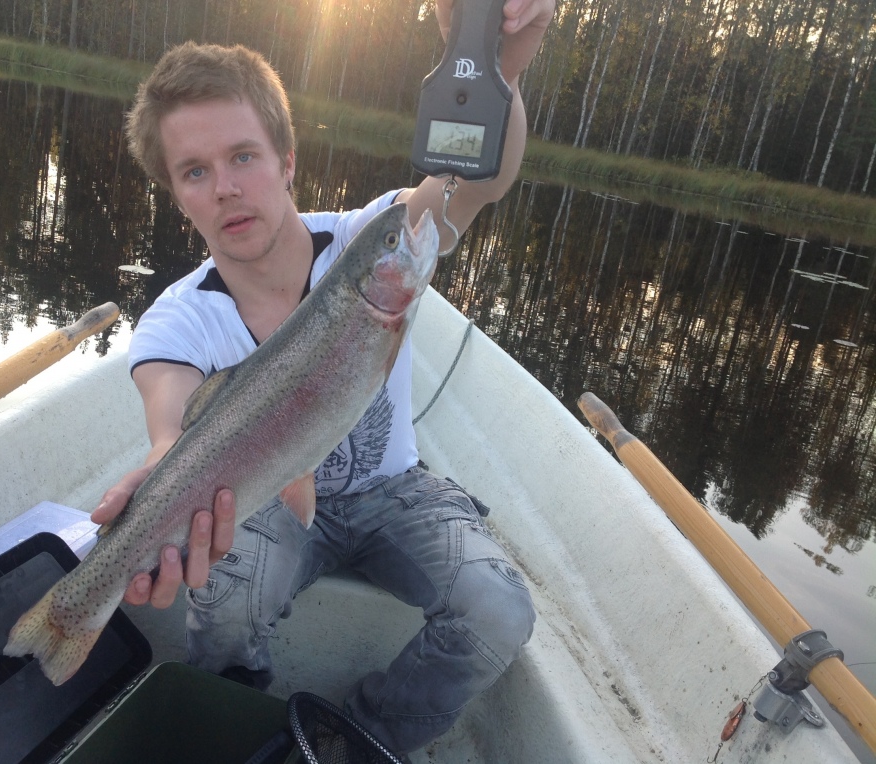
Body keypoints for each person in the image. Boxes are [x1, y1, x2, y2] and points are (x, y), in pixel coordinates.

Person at [91, 0, 554, 755]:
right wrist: (158, 487)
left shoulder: (368, 239)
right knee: (223, 597)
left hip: (395, 492)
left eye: (244, 156)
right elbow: (171, 430)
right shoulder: (176, 321)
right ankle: (232, 725)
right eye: (196, 171)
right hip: (265, 498)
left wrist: (498, 66)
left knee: (499, 609)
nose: (226, 187)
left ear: (287, 161)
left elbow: (477, 181)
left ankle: (356, 739)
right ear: (177, 194)